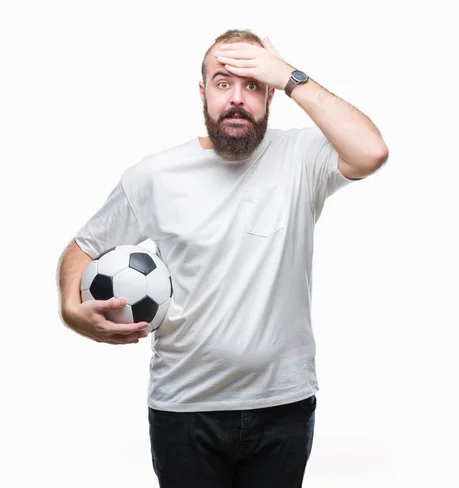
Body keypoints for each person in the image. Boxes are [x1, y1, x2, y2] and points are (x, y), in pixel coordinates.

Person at [57, 28, 389, 488]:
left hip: (283, 405)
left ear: (271, 94)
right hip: (185, 409)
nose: (237, 98)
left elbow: (372, 151)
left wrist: (290, 75)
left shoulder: (300, 157)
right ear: (203, 92)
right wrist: (71, 310)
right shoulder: (154, 176)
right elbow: (83, 247)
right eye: (223, 82)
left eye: (253, 85)